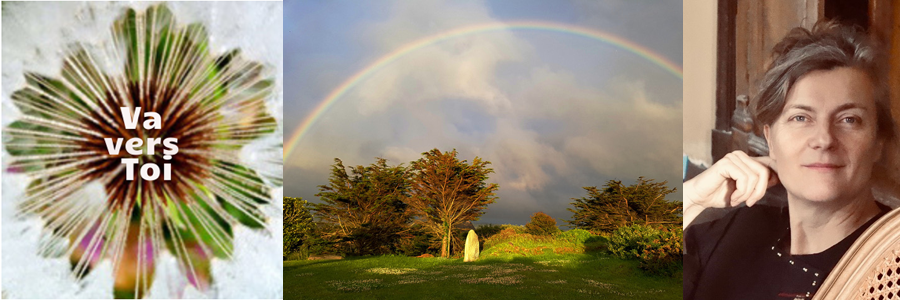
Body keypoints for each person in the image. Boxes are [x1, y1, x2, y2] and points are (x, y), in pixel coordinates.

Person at [682, 21, 897, 300]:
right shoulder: (735, 233)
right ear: (770, 139)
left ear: (878, 142)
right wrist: (692, 198)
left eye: (849, 119)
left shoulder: (891, 258)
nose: (824, 139)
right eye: (800, 118)